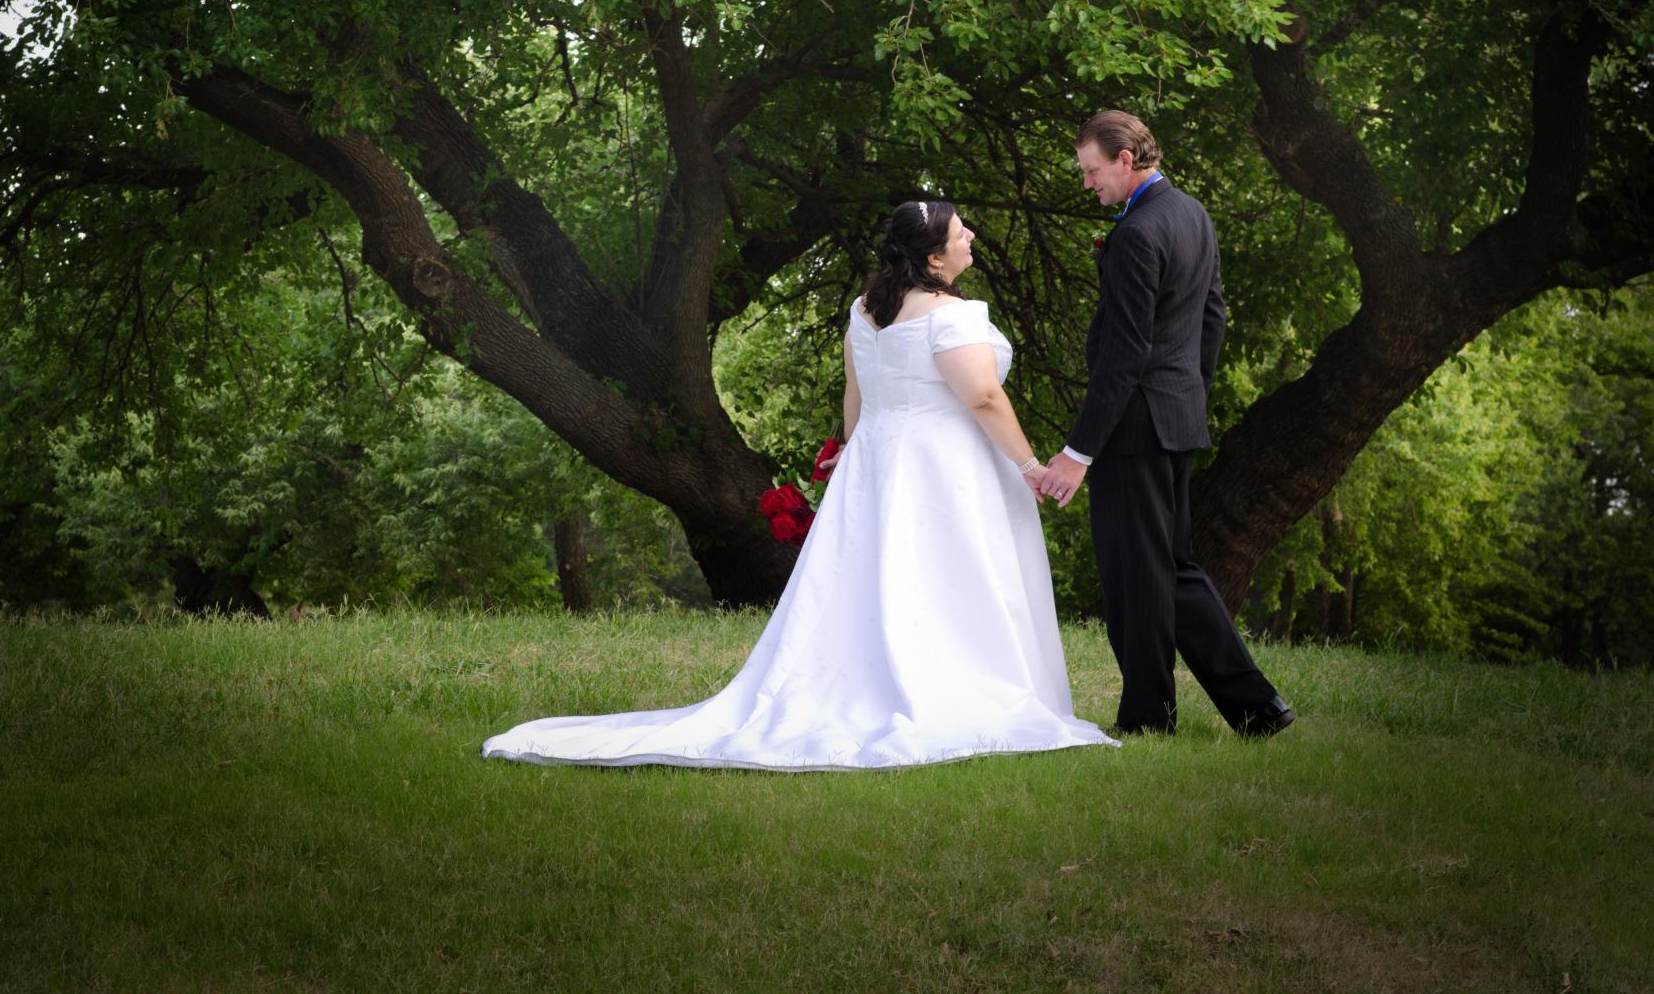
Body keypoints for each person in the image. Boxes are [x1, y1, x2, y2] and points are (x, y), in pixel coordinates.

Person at [483, 200, 1118, 769]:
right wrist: (1030, 467)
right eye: (960, 233)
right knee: (952, 575)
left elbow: (856, 396)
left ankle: (882, 679)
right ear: (933, 258)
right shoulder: (951, 316)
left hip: (880, 460)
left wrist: (854, 453)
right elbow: (982, 396)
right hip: (944, 466)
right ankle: (961, 689)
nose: (971, 236)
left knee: (885, 578)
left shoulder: (866, 311)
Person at [1032, 110, 1294, 738]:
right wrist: (1186, 393)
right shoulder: (1192, 214)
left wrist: (1078, 452)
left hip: (1134, 429)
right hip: (1175, 418)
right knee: (1171, 571)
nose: (1087, 183)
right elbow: (1213, 317)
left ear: (1126, 159)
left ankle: (1150, 720)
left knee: (1136, 578)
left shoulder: (1136, 234)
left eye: (1092, 170)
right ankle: (1258, 710)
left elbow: (1123, 356)